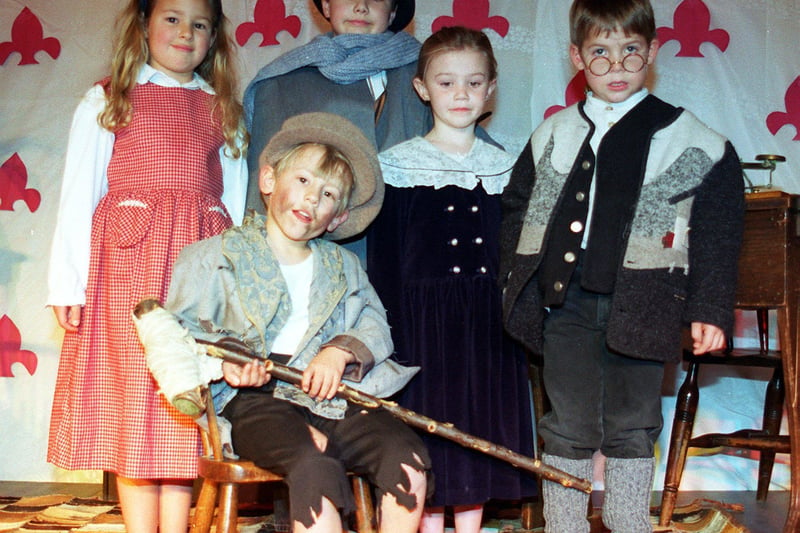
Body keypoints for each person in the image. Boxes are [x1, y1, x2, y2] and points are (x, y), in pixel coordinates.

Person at [499, 0, 745, 531]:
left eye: (630, 52)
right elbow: (517, 211)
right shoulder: (551, 136)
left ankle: (629, 522)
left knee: (633, 427)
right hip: (565, 305)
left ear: (653, 52)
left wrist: (710, 308)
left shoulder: (694, 141)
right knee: (566, 425)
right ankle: (565, 524)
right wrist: (517, 283)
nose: (615, 67)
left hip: (647, 307)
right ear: (576, 56)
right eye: (600, 54)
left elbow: (718, 234)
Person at [164, 112, 431, 533]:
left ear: (338, 218)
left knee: (407, 458)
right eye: (303, 181)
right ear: (268, 181)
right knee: (314, 461)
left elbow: (374, 324)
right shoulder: (214, 255)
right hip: (253, 400)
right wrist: (226, 362)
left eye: (327, 194)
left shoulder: (345, 267)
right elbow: (177, 333)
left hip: (331, 395)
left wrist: (340, 351)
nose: (311, 200)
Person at [45, 0, 247, 531]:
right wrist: (68, 284)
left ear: (213, 37)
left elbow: (236, 194)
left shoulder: (220, 105)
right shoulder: (110, 96)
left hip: (197, 269)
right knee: (136, 395)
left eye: (200, 24)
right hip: (126, 268)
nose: (186, 33)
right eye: (172, 19)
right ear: (144, 26)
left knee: (185, 395)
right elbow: (78, 194)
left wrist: (238, 280)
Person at [367, 27, 537, 533]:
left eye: (472, 82)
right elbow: (385, 261)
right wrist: (392, 338)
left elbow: (516, 256)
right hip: (422, 327)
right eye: (446, 83)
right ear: (422, 89)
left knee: (479, 434)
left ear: (490, 89)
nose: (460, 94)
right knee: (431, 438)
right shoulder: (398, 166)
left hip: (487, 328)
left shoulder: (505, 167)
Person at [242, 0, 428, 259]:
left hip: (411, 245)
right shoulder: (284, 82)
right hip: (320, 254)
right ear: (327, 7)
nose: (361, 6)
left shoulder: (431, 74)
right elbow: (262, 186)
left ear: (394, 11)